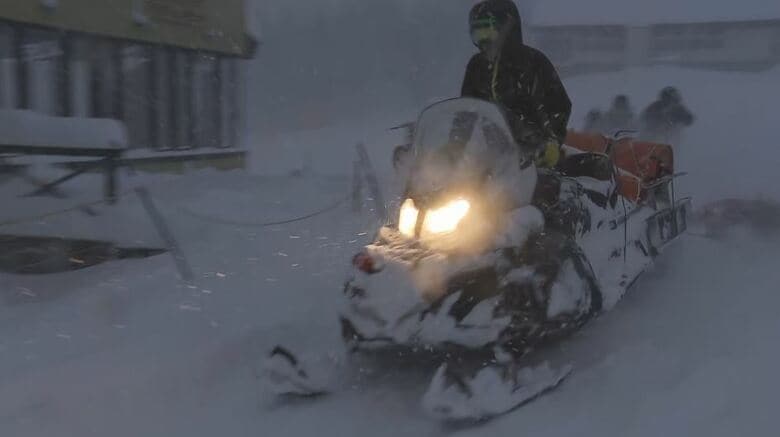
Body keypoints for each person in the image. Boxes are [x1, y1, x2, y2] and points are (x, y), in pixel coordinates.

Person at [461, 0, 571, 168]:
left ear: (506, 27)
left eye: (487, 29)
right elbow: (466, 110)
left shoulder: (532, 61)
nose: (483, 38)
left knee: (546, 183)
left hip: (537, 155)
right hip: (496, 157)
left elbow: (558, 105)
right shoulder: (477, 66)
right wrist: (456, 143)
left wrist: (552, 142)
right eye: (477, 32)